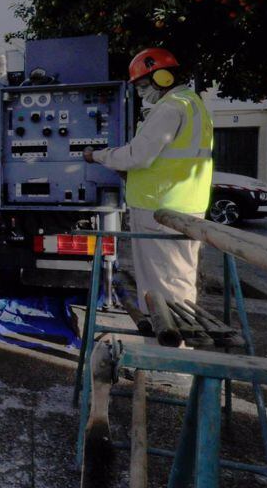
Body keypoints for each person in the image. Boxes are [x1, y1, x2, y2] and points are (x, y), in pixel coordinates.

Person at [84, 47, 213, 313]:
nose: (142, 93)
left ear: (163, 77)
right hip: (178, 206)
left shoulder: (171, 108)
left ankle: (171, 346)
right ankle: (169, 340)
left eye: (143, 85)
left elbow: (137, 155)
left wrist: (96, 156)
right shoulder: (192, 105)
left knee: (165, 287)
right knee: (173, 280)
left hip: (163, 211)